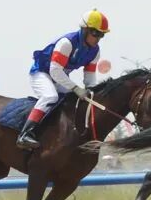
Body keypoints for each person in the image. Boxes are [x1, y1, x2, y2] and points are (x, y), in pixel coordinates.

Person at [16, 9, 109, 150]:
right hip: (42, 73)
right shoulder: (67, 43)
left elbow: (89, 76)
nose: (97, 38)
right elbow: (55, 71)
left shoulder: (95, 51)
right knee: (50, 96)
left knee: (73, 99)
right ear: (84, 30)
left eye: (101, 35)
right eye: (95, 33)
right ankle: (25, 134)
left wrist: (92, 91)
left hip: (59, 76)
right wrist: (76, 88)